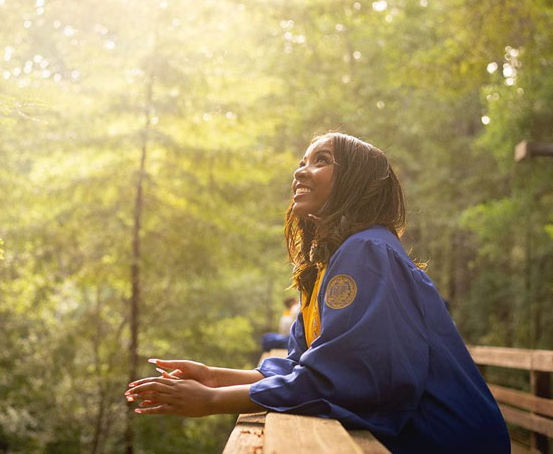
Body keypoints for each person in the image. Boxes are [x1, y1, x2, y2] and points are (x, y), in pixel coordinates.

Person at [124, 132, 509, 454]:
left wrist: (212, 402)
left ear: (355, 183)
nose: (299, 171)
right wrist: (215, 377)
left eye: (320, 160)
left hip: (448, 440)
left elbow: (352, 375)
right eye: (303, 160)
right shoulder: (325, 267)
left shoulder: (368, 251)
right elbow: (303, 365)